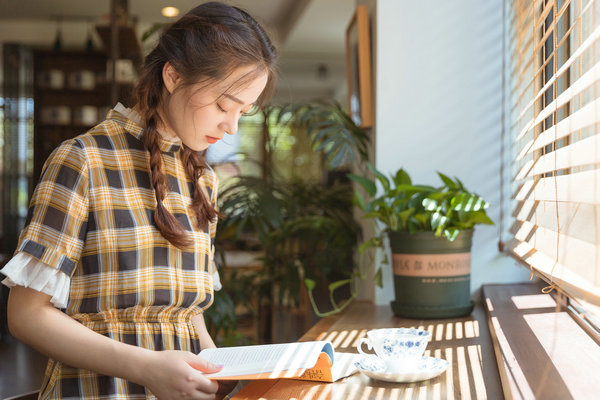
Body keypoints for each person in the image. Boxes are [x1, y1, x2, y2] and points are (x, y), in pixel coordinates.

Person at [0, 2, 277, 399]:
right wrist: (146, 368)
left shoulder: (202, 180)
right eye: (222, 105)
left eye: (243, 113)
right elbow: (25, 316)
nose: (231, 126)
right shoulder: (83, 160)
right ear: (174, 75)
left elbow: (187, 313)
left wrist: (214, 365)